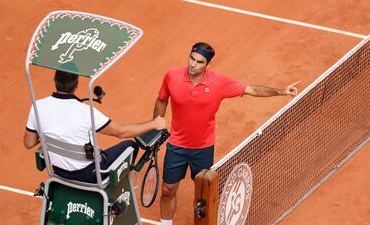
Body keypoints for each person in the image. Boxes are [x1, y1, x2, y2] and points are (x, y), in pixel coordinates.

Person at [154, 42, 299, 225]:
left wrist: (281, 91)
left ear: (207, 65)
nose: (193, 64)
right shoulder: (172, 77)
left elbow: (251, 89)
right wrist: (155, 126)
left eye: (199, 62)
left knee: (203, 196)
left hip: (203, 148)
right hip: (176, 146)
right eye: (191, 58)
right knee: (168, 189)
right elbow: (161, 99)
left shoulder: (219, 83)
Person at [24, 70, 166, 183]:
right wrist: (154, 123)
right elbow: (121, 132)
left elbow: (29, 143)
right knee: (130, 145)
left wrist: (53, 132)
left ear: (55, 81)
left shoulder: (38, 106)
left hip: (59, 172)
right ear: (76, 84)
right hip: (89, 175)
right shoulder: (86, 112)